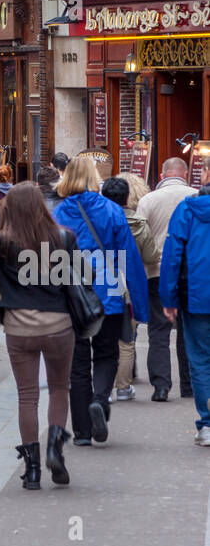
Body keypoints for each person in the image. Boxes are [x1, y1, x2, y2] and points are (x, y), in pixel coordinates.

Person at [0, 182, 81, 489]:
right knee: (59, 388)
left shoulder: (2, 242)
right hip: (59, 325)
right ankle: (55, 447)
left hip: (19, 326)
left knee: (27, 396)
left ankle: (33, 469)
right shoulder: (64, 237)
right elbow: (77, 277)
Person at [53, 156, 148, 446]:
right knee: (106, 354)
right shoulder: (111, 210)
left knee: (77, 363)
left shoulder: (58, 213)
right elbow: (129, 258)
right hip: (108, 291)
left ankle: (81, 432)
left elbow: (50, 260)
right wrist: (140, 307)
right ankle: (99, 401)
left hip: (72, 295)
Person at [137, 157, 196, 401]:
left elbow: (139, 236)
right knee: (188, 329)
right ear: (185, 174)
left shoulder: (148, 200)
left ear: (162, 176)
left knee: (158, 329)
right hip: (191, 272)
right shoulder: (195, 197)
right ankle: (189, 384)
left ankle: (161, 385)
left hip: (156, 271)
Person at [160, 165, 210, 444]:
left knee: (201, 359)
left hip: (197, 294)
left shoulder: (188, 210)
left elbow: (172, 255)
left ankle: (208, 423)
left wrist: (169, 299)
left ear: (205, 176)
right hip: (196, 294)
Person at [101, 176, 156, 403]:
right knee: (126, 340)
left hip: (104, 282)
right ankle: (123, 388)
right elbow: (151, 255)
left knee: (103, 339)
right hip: (130, 283)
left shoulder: (99, 220)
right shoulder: (140, 223)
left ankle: (104, 387)